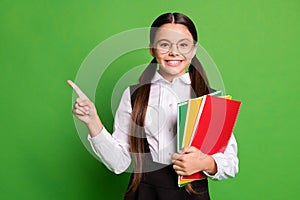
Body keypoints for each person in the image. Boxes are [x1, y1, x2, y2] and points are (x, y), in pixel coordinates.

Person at [67, 12, 238, 200]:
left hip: (193, 195)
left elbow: (230, 163)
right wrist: (93, 122)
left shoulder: (210, 99)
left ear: (194, 49)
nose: (174, 52)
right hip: (145, 193)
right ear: (152, 49)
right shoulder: (134, 96)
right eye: (164, 44)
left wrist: (205, 163)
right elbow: (120, 163)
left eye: (183, 44)